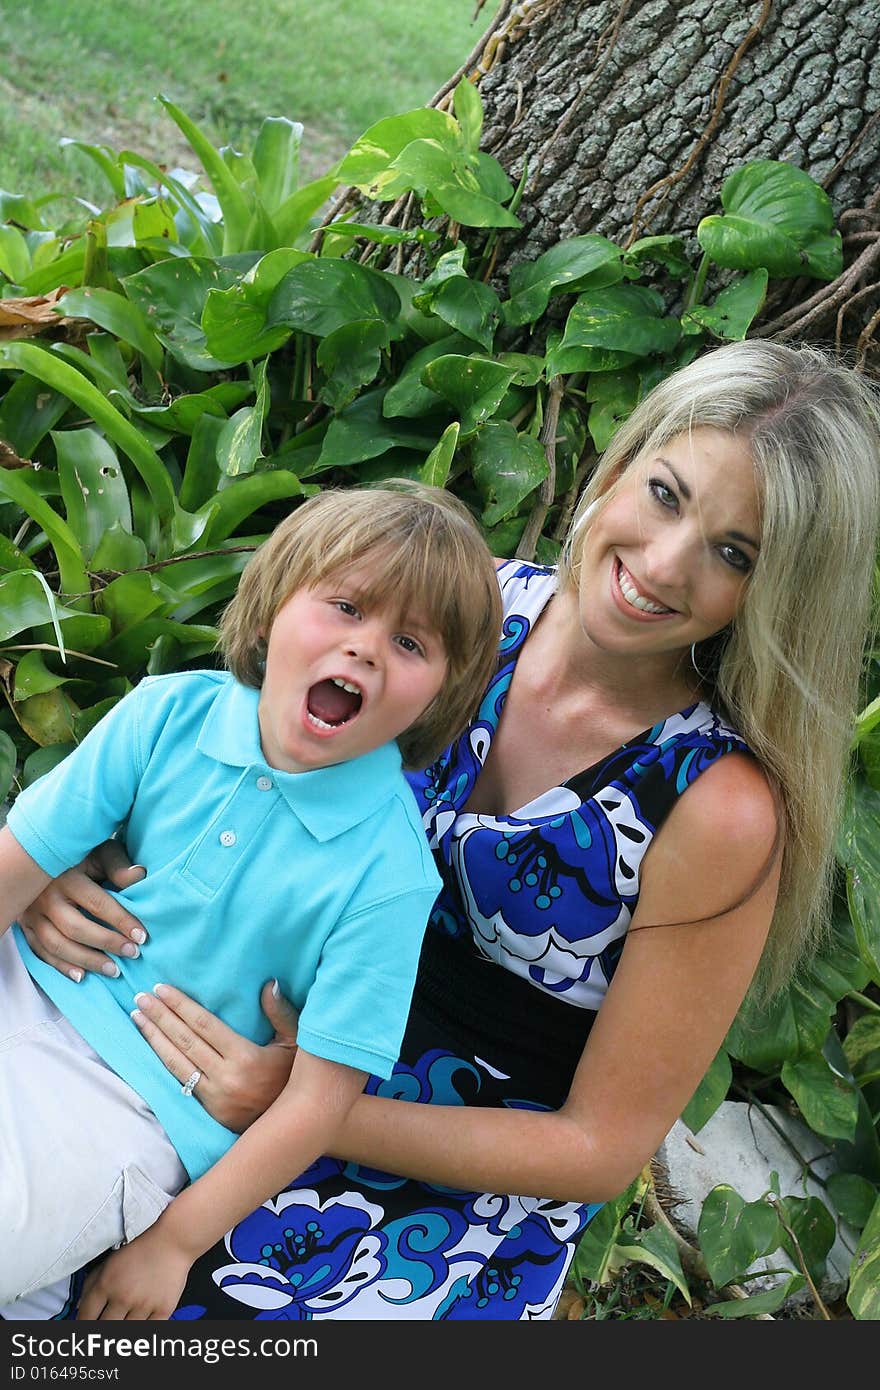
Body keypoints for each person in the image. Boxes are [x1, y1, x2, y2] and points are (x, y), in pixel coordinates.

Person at [17, 341, 880, 1322]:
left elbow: (598, 1149)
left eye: (735, 553)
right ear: (626, 458)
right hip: (245, 1014)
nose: (664, 562)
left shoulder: (712, 804)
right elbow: (223, 761)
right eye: (667, 494)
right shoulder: (470, 610)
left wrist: (300, 1105)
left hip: (432, 1179)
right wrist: (66, 859)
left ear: (774, 592)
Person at [0, 482, 503, 1319]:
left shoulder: (390, 876)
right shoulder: (168, 714)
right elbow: (18, 864)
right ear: (271, 611)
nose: (366, 648)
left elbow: (313, 1107)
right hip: (22, 988)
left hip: (136, 1109)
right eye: (344, 606)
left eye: (410, 642)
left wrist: (174, 1244)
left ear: (440, 694)